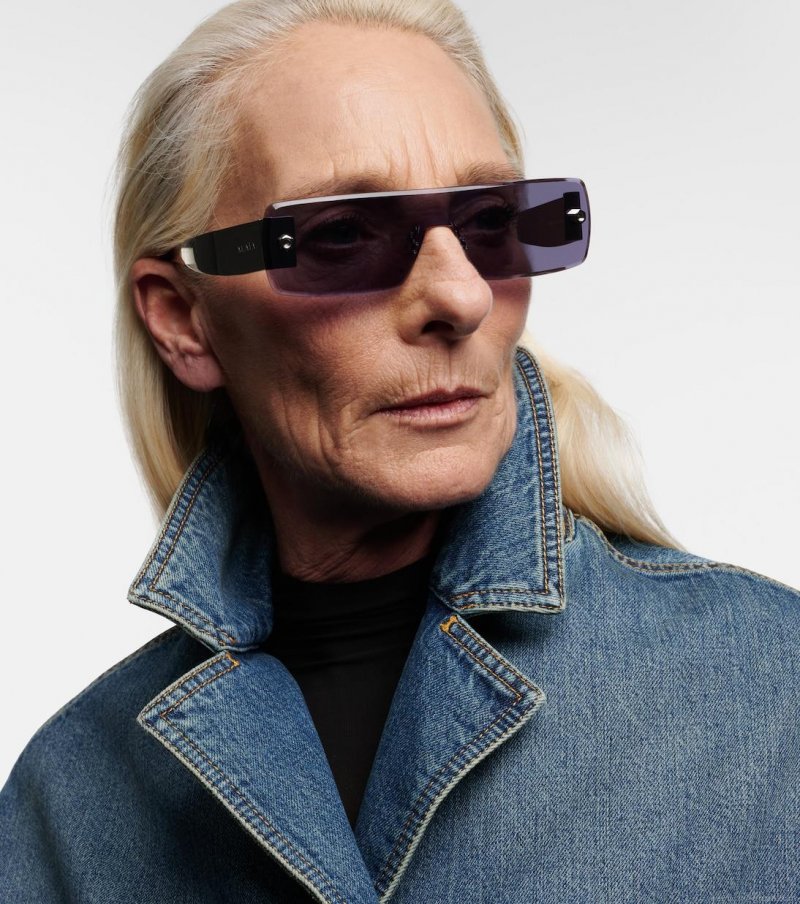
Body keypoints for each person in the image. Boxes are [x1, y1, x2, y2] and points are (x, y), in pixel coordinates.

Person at [1, 0, 797, 901]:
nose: (461, 296)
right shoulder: (71, 804)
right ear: (185, 317)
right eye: (343, 234)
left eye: (489, 222)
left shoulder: (771, 691)